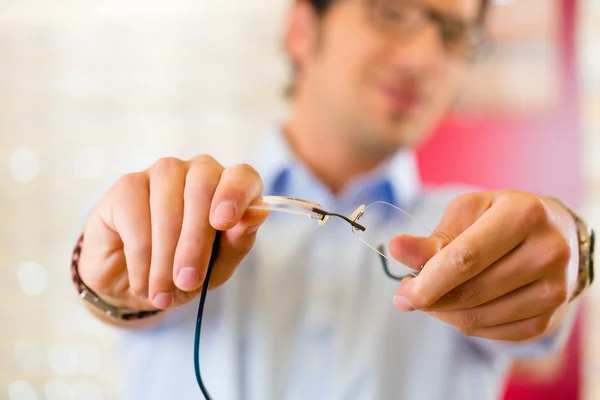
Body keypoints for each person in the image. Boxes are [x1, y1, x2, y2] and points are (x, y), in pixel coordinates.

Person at [72, 0, 595, 399]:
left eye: (454, 35)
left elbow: (540, 319)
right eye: (393, 13)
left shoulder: (476, 234)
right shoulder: (172, 208)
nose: (424, 59)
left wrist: (572, 253)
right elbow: (115, 290)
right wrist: (109, 286)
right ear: (302, 30)